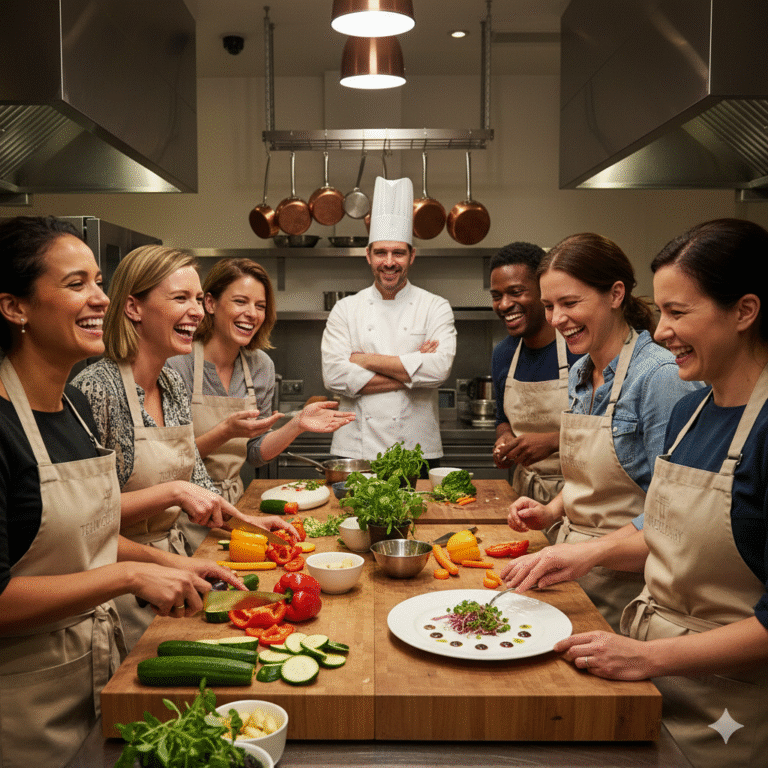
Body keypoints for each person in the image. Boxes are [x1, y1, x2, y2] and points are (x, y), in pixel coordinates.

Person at [504, 219, 768, 768]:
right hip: (649, 671)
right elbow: (661, 523)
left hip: (724, 704)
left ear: (745, 311)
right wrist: (572, 544)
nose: (663, 330)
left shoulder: (755, 427)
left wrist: (647, 655)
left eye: (679, 312)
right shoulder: (690, 414)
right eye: (663, 311)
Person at [0, 217, 244, 768]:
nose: (99, 299)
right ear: (14, 307)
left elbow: (93, 535)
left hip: (98, 667)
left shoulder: (73, 411)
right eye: (75, 284)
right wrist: (133, 574)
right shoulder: (21, 419)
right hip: (26, 707)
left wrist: (173, 565)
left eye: (98, 281)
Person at [72, 246, 295, 649]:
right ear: (133, 307)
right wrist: (173, 498)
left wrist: (249, 524)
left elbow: (197, 480)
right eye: (181, 298)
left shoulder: (170, 385)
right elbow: (86, 523)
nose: (196, 311)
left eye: (197, 299)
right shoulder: (95, 391)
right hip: (119, 588)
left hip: (176, 577)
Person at [506, 232, 701, 631]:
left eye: (570, 303)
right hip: (571, 573)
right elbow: (586, 478)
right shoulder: (582, 372)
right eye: (549, 305)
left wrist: (588, 553)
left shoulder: (660, 378)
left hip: (625, 585)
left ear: (615, 294)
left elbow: (671, 514)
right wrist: (551, 511)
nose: (556, 318)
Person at [166, 258, 354, 548]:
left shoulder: (259, 366)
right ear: (211, 304)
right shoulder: (179, 364)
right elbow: (170, 463)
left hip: (232, 510)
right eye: (240, 301)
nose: (251, 314)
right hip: (181, 512)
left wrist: (296, 425)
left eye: (260, 306)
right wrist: (225, 432)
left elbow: (254, 452)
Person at [321, 177, 456, 471]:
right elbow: (333, 376)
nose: (389, 262)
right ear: (368, 256)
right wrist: (412, 371)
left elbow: (439, 369)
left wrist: (364, 360)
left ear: (412, 256)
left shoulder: (435, 306)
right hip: (356, 448)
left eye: (398, 253)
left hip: (417, 448)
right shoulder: (345, 310)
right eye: (381, 252)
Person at [489, 241, 582, 505]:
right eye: (496, 296)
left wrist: (554, 442)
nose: (504, 304)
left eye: (516, 292)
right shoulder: (504, 354)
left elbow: (608, 431)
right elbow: (502, 418)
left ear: (543, 291)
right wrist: (504, 437)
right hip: (523, 493)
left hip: (576, 495)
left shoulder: (579, 349)